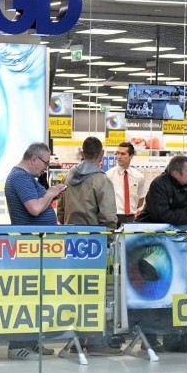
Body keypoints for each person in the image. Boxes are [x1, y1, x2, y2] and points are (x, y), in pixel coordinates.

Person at [134, 155, 187, 353]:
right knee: (153, 292)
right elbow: (162, 216)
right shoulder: (159, 185)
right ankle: (150, 338)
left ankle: (175, 339)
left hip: (178, 248)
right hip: (150, 247)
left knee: (178, 292)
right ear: (175, 173)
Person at [56, 137, 120, 355]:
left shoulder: (69, 176)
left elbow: (61, 210)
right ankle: (96, 342)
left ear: (82, 153)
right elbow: (109, 215)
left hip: (71, 241)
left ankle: (73, 339)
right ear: (101, 155)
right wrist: (109, 237)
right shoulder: (101, 180)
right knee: (97, 291)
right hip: (94, 242)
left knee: (75, 291)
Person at [4, 142, 66, 360]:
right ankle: (18, 345)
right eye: (45, 163)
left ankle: (31, 341)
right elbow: (35, 208)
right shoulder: (20, 177)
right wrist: (51, 193)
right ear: (33, 159)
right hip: (28, 247)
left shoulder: (26, 178)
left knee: (36, 298)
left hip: (37, 246)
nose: (45, 168)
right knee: (26, 298)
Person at [105, 142, 146, 226]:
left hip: (131, 217)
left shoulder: (139, 177)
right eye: (118, 153)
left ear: (131, 156)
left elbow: (141, 199)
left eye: (123, 154)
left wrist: (132, 209)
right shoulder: (108, 175)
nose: (119, 157)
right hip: (113, 217)